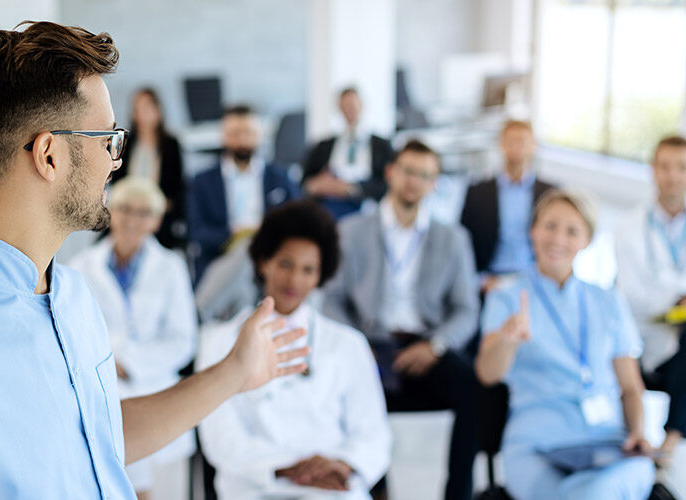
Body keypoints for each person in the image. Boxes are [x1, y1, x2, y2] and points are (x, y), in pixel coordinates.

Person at [0, 21, 308, 499]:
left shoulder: (74, 297)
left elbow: (93, 438)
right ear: (49, 155)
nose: (116, 160)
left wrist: (233, 374)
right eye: (107, 138)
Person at [197, 201, 392, 500]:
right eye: (285, 264)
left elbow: (373, 434)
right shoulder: (219, 342)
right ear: (264, 262)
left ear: (321, 275)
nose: (295, 280)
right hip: (256, 488)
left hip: (332, 488)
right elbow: (221, 439)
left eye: (308, 270)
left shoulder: (348, 344)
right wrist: (289, 469)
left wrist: (340, 466)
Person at [322, 140, 480, 500]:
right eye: (408, 172)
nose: (414, 182)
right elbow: (332, 299)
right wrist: (356, 346)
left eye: (425, 176)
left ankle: (459, 495)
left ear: (435, 184)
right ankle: (375, 490)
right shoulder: (351, 231)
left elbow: (466, 309)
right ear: (391, 172)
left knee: (472, 386)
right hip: (369, 341)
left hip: (426, 341)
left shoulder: (452, 239)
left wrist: (435, 345)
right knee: (353, 389)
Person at [476, 189, 655, 500]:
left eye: (572, 231)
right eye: (549, 226)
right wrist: (507, 339)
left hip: (607, 441)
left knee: (603, 490)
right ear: (533, 230)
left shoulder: (608, 301)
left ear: (587, 240)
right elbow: (487, 374)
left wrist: (638, 432)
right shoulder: (506, 298)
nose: (558, 239)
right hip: (536, 445)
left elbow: (630, 387)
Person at [69, 177, 197, 500]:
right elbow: (74, 331)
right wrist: (111, 361)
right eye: (125, 209)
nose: (132, 219)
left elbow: (183, 341)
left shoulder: (171, 267)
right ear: (111, 211)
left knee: (165, 491)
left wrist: (129, 363)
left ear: (155, 221)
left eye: (144, 213)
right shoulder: (81, 267)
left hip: (158, 392)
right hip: (103, 392)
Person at [615, 135, 686, 474]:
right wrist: (677, 297)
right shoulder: (628, 226)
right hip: (640, 333)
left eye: (682, 168)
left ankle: (668, 444)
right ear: (653, 171)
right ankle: (638, 436)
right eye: (665, 167)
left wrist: (667, 292)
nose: (673, 175)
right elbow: (630, 292)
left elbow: (650, 286)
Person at [187, 104, 300, 284]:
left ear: (259, 135)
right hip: (221, 258)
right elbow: (196, 230)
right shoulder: (202, 181)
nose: (242, 140)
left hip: (271, 259)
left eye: (248, 132)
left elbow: (297, 221)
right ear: (223, 136)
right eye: (235, 133)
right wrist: (230, 234)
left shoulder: (280, 177)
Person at [460, 120, 555, 293]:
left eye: (523, 142)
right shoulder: (477, 192)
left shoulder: (550, 194)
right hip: (489, 280)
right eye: (510, 141)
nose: (516, 147)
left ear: (533, 146)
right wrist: (479, 280)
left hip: (535, 280)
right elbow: (462, 242)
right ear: (500, 145)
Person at [302, 87, 393, 220]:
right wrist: (318, 185)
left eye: (353, 105)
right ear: (339, 109)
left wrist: (352, 189)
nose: (349, 110)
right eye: (345, 106)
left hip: (366, 206)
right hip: (330, 207)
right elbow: (305, 182)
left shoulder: (381, 145)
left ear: (361, 106)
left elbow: (389, 183)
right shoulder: (324, 146)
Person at [112, 88, 186, 250]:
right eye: (137, 109)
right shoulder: (126, 144)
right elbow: (116, 181)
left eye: (146, 108)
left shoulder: (171, 145)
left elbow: (178, 186)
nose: (141, 114)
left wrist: (164, 205)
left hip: (158, 214)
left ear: (158, 111)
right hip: (127, 210)